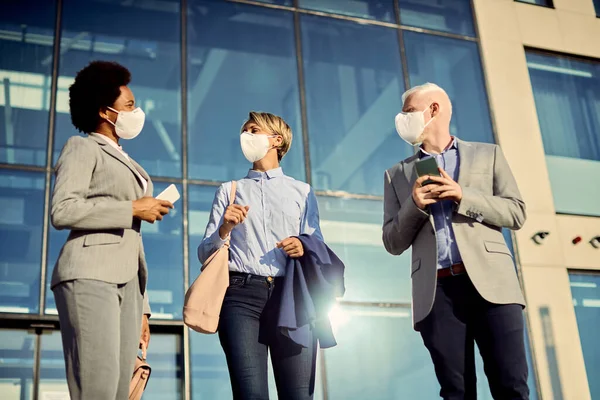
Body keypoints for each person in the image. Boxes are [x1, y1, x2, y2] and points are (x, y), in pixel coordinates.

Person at [382, 83, 529, 400]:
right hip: (438, 293)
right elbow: (392, 242)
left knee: (511, 386)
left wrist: (463, 195)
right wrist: (415, 205)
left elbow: (516, 213)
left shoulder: (488, 154)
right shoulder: (396, 175)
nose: (401, 120)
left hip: (493, 288)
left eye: (408, 112)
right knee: (456, 392)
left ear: (432, 110)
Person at [51, 60, 173, 400]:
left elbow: (132, 240)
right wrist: (132, 208)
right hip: (90, 273)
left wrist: (143, 309)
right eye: (130, 105)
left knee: (120, 390)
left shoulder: (130, 162)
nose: (138, 112)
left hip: (128, 284)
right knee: (98, 386)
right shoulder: (82, 147)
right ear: (106, 112)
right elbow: (63, 210)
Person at [198, 112, 323, 400]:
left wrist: (302, 246)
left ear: (276, 141)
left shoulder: (302, 192)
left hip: (290, 295)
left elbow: (317, 243)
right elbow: (204, 252)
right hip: (241, 297)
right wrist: (224, 228)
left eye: (254, 130)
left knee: (299, 396)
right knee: (249, 395)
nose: (246, 136)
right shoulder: (229, 191)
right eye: (244, 130)